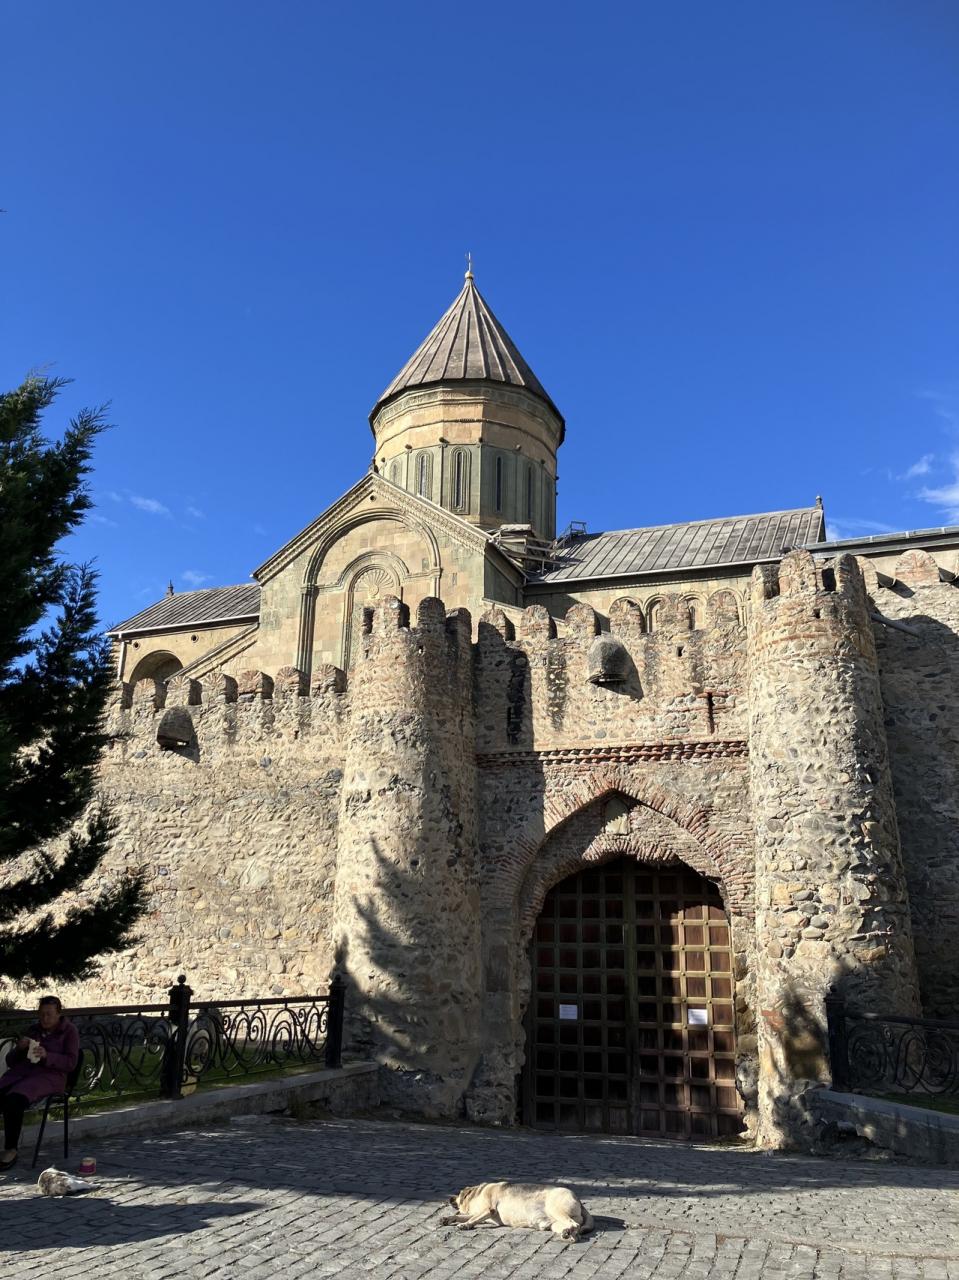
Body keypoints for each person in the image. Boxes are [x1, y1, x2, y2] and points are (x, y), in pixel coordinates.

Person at [0, 995, 79, 1171]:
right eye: (42, 1014)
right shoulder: (34, 1030)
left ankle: (11, 1149)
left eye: (49, 1014)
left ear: (58, 1014)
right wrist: (19, 1048)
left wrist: (47, 1056)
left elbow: (71, 1063)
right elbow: (11, 1061)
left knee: (14, 1100)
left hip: (50, 1078)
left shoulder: (69, 1031)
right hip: (22, 1074)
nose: (45, 1018)